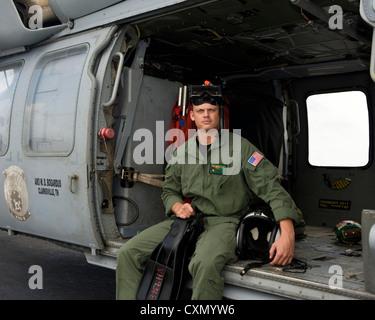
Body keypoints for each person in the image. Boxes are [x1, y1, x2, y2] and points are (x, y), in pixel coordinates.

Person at [116, 83, 305, 300]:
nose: (206, 115)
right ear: (192, 116)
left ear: (219, 114)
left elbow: (273, 189)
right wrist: (177, 206)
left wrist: (287, 234)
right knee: (128, 253)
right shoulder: (181, 152)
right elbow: (169, 191)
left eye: (211, 110)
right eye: (200, 111)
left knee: (203, 264)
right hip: (189, 220)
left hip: (225, 221)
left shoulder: (241, 148)